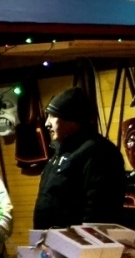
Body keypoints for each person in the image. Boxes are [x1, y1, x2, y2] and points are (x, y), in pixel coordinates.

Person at [32, 87, 127, 229]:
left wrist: (86, 238)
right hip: (52, 239)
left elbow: (99, 207)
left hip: (75, 241)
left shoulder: (99, 151)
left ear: (72, 119)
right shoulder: (62, 151)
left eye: (53, 116)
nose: (47, 123)